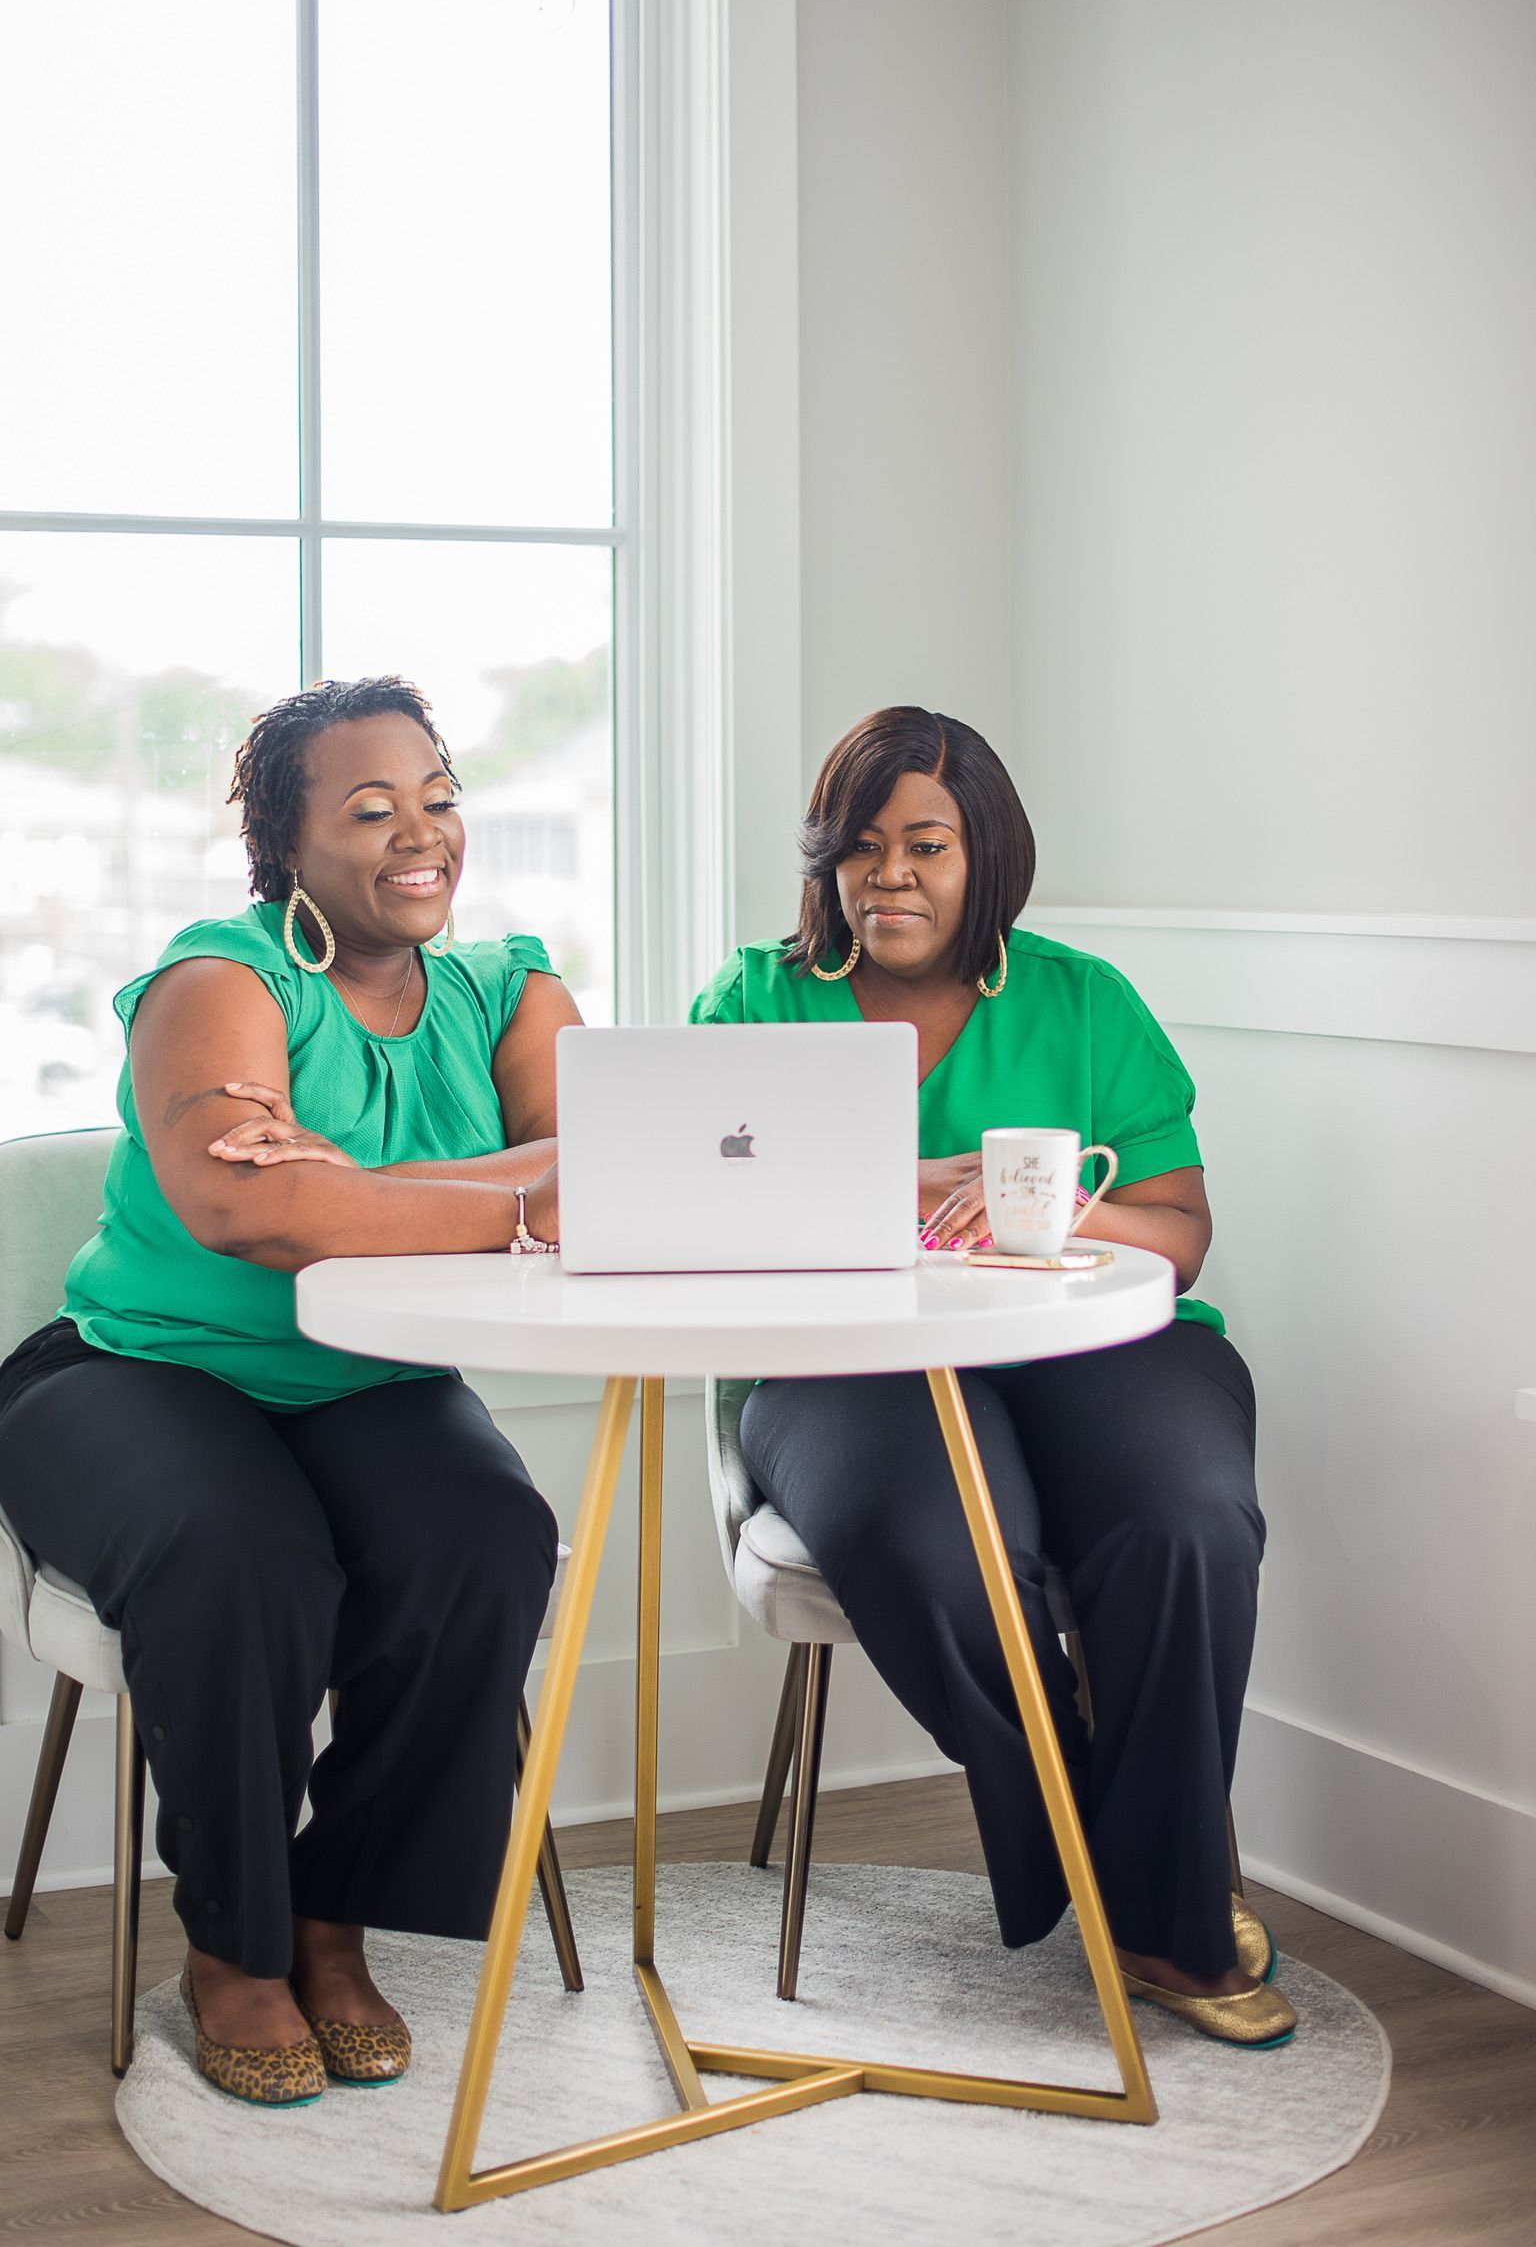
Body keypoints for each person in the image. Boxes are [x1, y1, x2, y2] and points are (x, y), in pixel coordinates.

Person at [0, 676, 577, 2104]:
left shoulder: (511, 988)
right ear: (289, 848)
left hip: (364, 1377)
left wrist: (353, 1189)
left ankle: (335, 1913)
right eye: (368, 809)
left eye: (437, 798)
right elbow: (245, 1211)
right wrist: (509, 1194)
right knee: (241, 1549)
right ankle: (235, 1947)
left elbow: (607, 1181)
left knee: (486, 1535)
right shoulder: (221, 982)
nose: (418, 833)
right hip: (136, 1371)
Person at [690, 704, 1296, 2048]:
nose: (887, 873)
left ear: (988, 857)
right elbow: (704, 1208)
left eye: (925, 843)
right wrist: (920, 1186)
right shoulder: (752, 1000)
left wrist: (1039, 1211)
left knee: (1188, 1524)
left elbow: (1178, 1233)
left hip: (1095, 1344)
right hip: (842, 1362)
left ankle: (1143, 1898)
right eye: (861, 845)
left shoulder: (1085, 1000)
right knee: (953, 1549)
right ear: (826, 860)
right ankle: (1151, 1887)